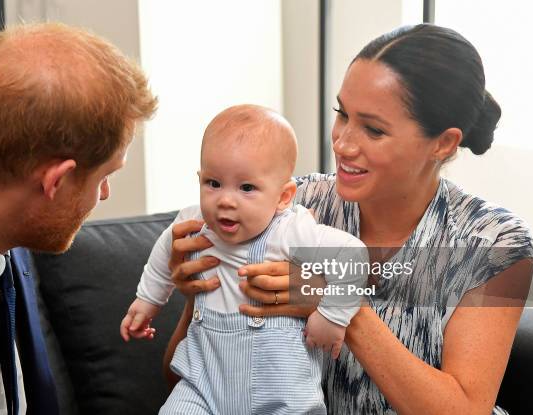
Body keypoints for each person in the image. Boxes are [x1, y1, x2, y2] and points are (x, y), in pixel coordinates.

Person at [164, 24, 533, 415]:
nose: (342, 143)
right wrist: (201, 292)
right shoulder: (288, 207)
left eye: (373, 129)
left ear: (443, 143)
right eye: (342, 114)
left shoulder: (494, 242)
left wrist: (339, 304)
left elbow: (464, 410)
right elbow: (187, 385)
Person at [0, 23, 157, 414]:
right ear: (56, 180)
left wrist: (297, 287)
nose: (104, 194)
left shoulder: (4, 221)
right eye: (105, 176)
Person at [120, 104, 368, 414]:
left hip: (280, 398)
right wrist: (148, 301)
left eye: (247, 188)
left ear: (283, 197)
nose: (225, 200)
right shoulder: (195, 223)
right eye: (213, 183)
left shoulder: (291, 231)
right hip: (203, 388)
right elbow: (163, 252)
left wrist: (332, 315)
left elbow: (353, 255)